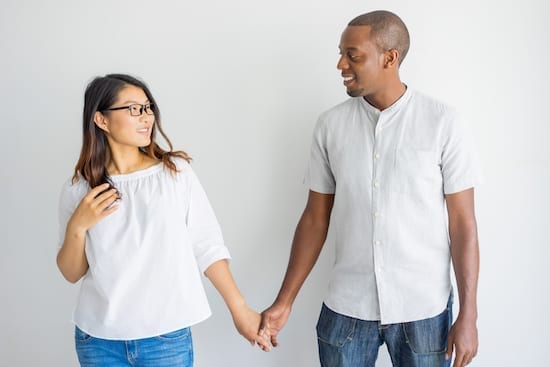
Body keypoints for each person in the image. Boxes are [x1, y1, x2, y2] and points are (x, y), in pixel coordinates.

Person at [259, 10, 480, 367]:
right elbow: (315, 219)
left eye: (353, 55)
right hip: (347, 306)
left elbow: (463, 224)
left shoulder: (443, 123)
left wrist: (468, 314)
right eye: (341, 53)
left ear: (390, 58)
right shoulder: (330, 126)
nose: (340, 64)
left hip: (423, 308)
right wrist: (284, 301)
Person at [56, 74, 270, 366]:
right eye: (133, 109)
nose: (146, 118)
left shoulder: (174, 173)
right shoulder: (79, 189)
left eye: (148, 108)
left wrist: (240, 310)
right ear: (101, 120)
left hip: (165, 339)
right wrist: (78, 226)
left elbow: (208, 246)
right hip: (98, 341)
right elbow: (71, 272)